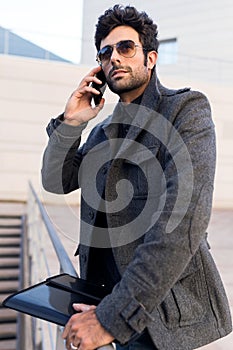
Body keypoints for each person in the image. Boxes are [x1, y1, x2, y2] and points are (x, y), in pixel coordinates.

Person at [41, 4, 232, 350]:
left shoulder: (186, 110)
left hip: (159, 315)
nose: (113, 57)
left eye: (126, 47)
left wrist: (110, 318)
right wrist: (72, 122)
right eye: (105, 52)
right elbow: (57, 180)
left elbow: (184, 221)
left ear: (151, 58)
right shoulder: (102, 133)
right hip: (103, 299)